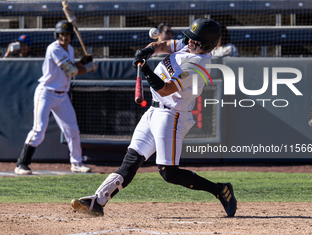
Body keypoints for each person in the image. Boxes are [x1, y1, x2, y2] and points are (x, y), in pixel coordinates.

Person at [71, 18, 237, 217]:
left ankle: (220, 190)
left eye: (194, 40)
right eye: (190, 38)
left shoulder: (198, 66)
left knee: (169, 173)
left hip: (172, 116)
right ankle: (98, 201)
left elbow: (166, 89)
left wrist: (146, 69)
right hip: (153, 111)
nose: (188, 41)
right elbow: (163, 45)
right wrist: (148, 51)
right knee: (132, 160)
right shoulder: (189, 47)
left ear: (206, 44)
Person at [14, 20, 98, 175]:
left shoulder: (70, 49)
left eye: (66, 34)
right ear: (57, 35)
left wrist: (83, 62)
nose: (64, 37)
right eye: (61, 34)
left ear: (71, 36)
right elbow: (71, 72)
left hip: (62, 95)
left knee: (72, 129)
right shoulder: (54, 48)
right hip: (46, 92)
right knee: (39, 129)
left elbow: (72, 66)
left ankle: (76, 162)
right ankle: (21, 164)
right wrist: (88, 68)